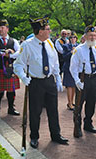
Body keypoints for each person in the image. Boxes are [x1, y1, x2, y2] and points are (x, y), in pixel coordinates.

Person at [14, 15, 68, 148]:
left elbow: (54, 62)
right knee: (35, 111)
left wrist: (58, 80)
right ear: (40, 31)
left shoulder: (49, 43)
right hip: (36, 82)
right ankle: (34, 137)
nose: (50, 31)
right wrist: (23, 77)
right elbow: (18, 64)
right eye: (48, 29)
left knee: (53, 110)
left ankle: (56, 135)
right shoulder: (27, 45)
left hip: (49, 81)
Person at [0, 19, 21, 120]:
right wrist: (3, 53)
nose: (0, 30)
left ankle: (11, 108)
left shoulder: (13, 41)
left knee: (11, 90)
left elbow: (19, 52)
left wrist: (10, 55)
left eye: (2, 28)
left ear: (7, 29)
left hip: (10, 68)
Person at [70, 25, 96, 135]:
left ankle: (88, 123)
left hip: (93, 78)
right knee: (79, 104)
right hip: (82, 79)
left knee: (91, 103)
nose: (92, 37)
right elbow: (73, 67)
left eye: (94, 35)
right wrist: (77, 81)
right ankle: (77, 126)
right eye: (90, 35)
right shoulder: (78, 50)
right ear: (85, 37)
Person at [62, 31, 79, 110]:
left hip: (76, 68)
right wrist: (71, 52)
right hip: (68, 68)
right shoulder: (66, 46)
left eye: (74, 38)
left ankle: (72, 102)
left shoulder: (78, 46)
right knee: (69, 86)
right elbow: (64, 57)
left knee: (74, 86)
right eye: (71, 38)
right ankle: (69, 103)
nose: (73, 39)